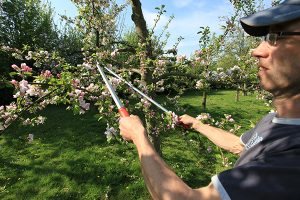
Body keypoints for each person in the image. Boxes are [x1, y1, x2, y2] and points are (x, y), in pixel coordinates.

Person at [119, 0, 300, 199]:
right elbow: (241, 146)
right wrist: (197, 125)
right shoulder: (274, 122)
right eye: (266, 37)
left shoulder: (293, 159)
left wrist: (138, 136)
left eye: (275, 37)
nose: (256, 51)